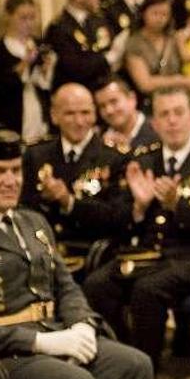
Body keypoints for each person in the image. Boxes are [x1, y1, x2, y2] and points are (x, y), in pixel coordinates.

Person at [0, 128, 154, 379]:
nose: (11, 180)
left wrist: (82, 323)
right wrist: (41, 341)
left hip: (58, 332)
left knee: (135, 366)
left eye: (16, 170)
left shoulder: (33, 223)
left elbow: (65, 285)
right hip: (6, 354)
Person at [81, 87, 190, 369]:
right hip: (143, 252)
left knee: (147, 290)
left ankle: (145, 377)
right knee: (96, 285)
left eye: (179, 113)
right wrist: (139, 208)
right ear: (154, 124)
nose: (172, 121)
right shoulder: (142, 159)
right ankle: (120, 366)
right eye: (164, 115)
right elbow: (120, 218)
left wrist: (178, 206)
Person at [20, 83, 130, 254]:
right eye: (70, 113)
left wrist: (69, 202)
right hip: (40, 250)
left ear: (94, 114)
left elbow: (118, 217)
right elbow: (23, 208)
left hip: (90, 252)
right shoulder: (36, 155)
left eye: (85, 113)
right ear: (54, 116)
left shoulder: (115, 158)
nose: (79, 121)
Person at [0, 0, 53, 142]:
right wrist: (25, 63)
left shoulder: (40, 44)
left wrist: (46, 70)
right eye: (23, 18)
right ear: (8, 16)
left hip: (40, 113)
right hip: (12, 116)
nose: (29, 23)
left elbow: (48, 85)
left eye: (32, 18)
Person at [44, 0, 116, 91]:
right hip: (77, 97)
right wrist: (108, 59)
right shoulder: (59, 28)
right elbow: (77, 69)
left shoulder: (100, 20)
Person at [94, 76, 159, 150]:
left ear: (132, 99)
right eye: (102, 106)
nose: (109, 110)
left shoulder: (158, 131)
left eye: (113, 102)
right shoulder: (98, 140)